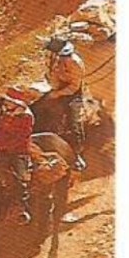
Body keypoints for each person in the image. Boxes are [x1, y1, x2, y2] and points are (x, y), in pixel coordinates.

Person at [0, 86, 39, 224]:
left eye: (9, 101)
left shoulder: (26, 117)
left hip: (18, 151)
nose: (6, 103)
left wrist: (1, 145)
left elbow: (20, 138)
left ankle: (20, 208)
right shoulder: (5, 113)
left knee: (20, 177)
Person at [44, 39, 88, 170]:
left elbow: (74, 86)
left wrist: (57, 94)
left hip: (72, 93)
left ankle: (76, 155)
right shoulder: (53, 59)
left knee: (73, 121)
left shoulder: (75, 62)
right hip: (55, 88)